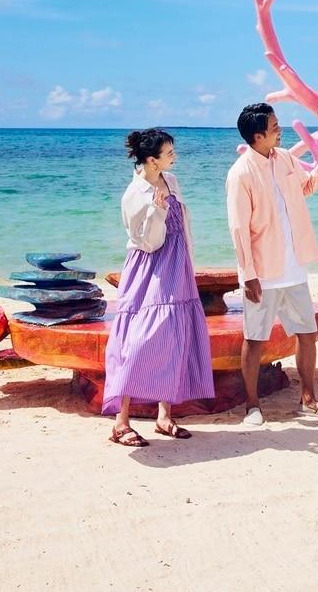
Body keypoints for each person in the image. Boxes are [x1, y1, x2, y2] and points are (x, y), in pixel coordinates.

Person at [226, 102, 318, 426]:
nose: (280, 130)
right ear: (258, 135)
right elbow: (238, 229)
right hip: (262, 273)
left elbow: (307, 186)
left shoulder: (285, 160)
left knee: (307, 333)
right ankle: (252, 407)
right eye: (275, 126)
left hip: (295, 267)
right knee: (255, 339)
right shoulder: (240, 173)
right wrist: (247, 275)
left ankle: (309, 401)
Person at [103, 128, 215, 447]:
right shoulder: (134, 194)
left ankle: (164, 417)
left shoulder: (171, 181)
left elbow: (184, 228)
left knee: (175, 336)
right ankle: (120, 422)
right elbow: (149, 242)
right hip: (149, 270)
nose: (174, 157)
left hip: (177, 267)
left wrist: (189, 262)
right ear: (152, 160)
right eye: (168, 154)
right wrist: (158, 208)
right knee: (136, 341)